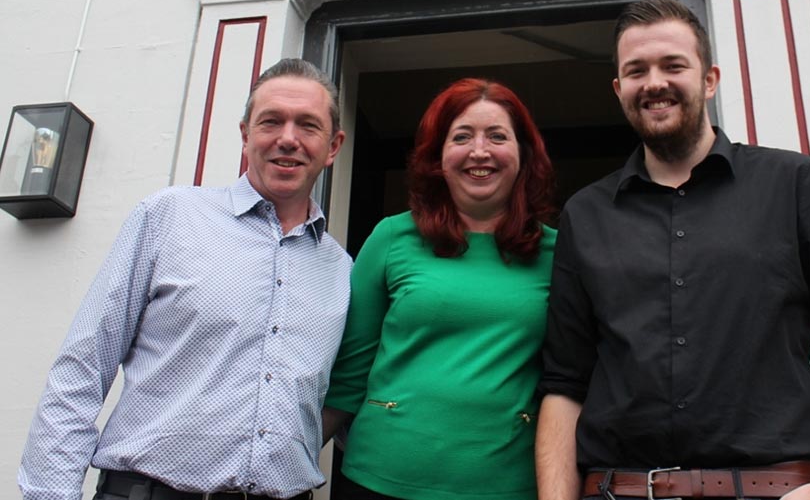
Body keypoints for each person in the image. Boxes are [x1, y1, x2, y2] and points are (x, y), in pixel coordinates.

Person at [535, 0, 810, 500]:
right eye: (637, 70)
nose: (655, 82)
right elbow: (565, 387)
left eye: (674, 65)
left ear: (710, 79)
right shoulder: (585, 214)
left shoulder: (793, 184)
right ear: (619, 89)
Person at [19, 58, 351, 500]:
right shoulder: (170, 217)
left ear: (333, 147)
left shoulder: (342, 272)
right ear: (245, 135)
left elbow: (333, 399)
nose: (288, 139)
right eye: (271, 121)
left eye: (308, 125)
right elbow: (82, 368)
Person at [323, 78, 556, 500]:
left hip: (506, 485)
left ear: (523, 153)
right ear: (439, 157)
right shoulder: (392, 237)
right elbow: (348, 375)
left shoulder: (558, 252)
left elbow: (571, 381)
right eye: (462, 137)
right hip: (379, 480)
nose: (480, 151)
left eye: (497, 136)